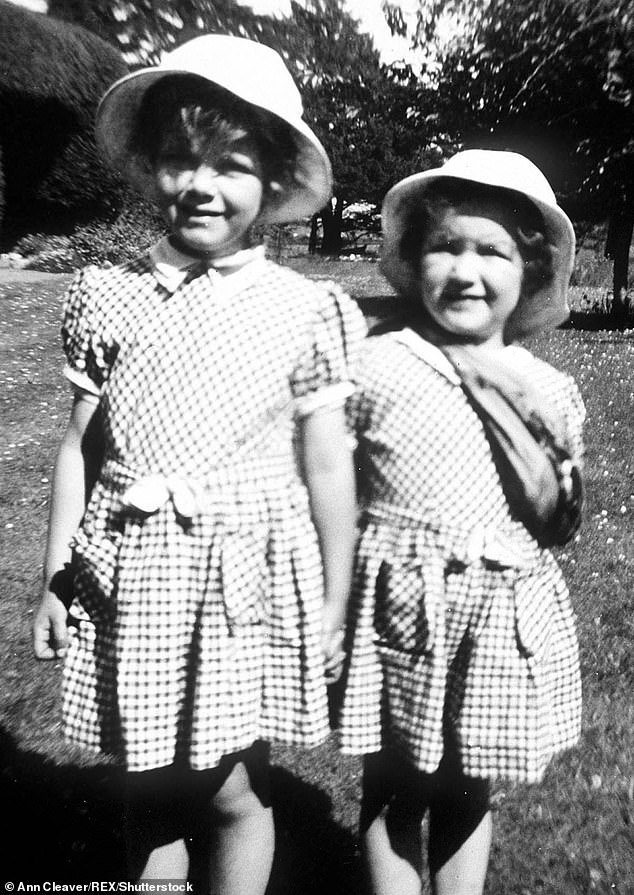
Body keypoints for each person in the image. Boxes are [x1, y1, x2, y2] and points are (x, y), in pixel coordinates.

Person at [32, 34, 365, 891]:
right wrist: (54, 576)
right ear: (149, 168)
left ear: (275, 181)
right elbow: (81, 446)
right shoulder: (108, 294)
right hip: (131, 571)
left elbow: (330, 469)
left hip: (235, 581)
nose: (202, 184)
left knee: (228, 786)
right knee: (146, 782)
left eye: (231, 165)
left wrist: (335, 597)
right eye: (179, 159)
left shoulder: (304, 310)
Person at [338, 150, 585, 895]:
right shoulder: (377, 363)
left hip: (497, 612)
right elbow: (334, 491)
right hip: (397, 608)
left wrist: (552, 471)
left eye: (492, 251)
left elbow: (559, 519)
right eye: (446, 245)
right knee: (392, 786)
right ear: (416, 257)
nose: (466, 268)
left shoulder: (549, 389)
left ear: (531, 272)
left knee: (469, 785)